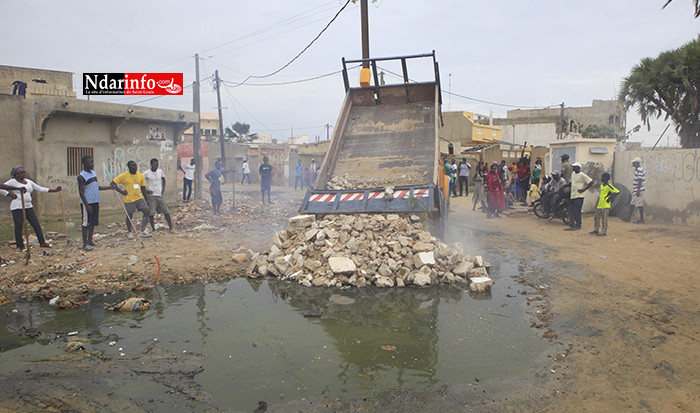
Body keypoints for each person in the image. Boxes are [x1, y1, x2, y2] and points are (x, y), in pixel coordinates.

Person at [1, 166, 61, 250]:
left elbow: (39, 188)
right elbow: (1, 188)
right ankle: (20, 245)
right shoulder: (12, 182)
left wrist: (54, 190)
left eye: (24, 172)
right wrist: (9, 194)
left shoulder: (28, 182)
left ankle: (42, 242)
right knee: (19, 226)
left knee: (36, 224)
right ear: (16, 174)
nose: (23, 174)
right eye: (20, 172)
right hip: (17, 206)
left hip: (28, 206)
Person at [77, 156, 112, 251]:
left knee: (92, 223)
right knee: (85, 224)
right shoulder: (81, 176)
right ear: (84, 164)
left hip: (95, 201)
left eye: (93, 162)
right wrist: (86, 205)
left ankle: (90, 241)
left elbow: (96, 187)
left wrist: (108, 188)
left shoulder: (94, 173)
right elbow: (81, 192)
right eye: (90, 163)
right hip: (87, 203)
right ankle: (84, 244)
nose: (92, 164)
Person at [111, 160, 152, 238]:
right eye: (133, 166)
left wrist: (146, 200)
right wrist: (122, 192)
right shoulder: (124, 176)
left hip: (139, 197)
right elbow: (112, 184)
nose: (135, 167)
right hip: (129, 199)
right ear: (129, 167)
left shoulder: (140, 175)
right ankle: (129, 232)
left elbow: (143, 188)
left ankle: (143, 230)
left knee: (146, 211)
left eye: (136, 165)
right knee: (129, 216)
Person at [143, 158, 174, 233]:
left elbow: (164, 180)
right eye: (155, 164)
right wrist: (146, 191)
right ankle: (153, 229)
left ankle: (171, 228)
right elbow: (140, 181)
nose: (156, 166)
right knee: (151, 213)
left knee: (166, 211)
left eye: (157, 164)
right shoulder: (146, 173)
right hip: (152, 196)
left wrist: (163, 190)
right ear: (151, 164)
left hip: (160, 195)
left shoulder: (160, 171)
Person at [565, 162, 594, 231]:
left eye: (574, 167)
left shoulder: (582, 175)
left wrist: (583, 189)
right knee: (570, 210)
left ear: (578, 168)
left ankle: (578, 224)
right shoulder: (573, 174)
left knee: (577, 211)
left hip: (579, 196)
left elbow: (591, 182)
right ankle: (572, 224)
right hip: (573, 195)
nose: (573, 168)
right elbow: (572, 183)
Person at [590, 172, 619, 236]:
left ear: (606, 178)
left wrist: (610, 198)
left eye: (602, 177)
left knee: (604, 219)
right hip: (600, 204)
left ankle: (603, 231)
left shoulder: (609, 186)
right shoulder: (602, 186)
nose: (601, 178)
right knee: (596, 217)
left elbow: (617, 192)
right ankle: (596, 229)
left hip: (605, 205)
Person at [623, 157, 646, 224]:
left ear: (637, 163)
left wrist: (638, 190)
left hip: (638, 189)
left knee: (639, 204)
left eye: (634, 162)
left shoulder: (639, 170)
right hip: (636, 189)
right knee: (632, 204)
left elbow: (640, 180)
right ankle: (628, 217)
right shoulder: (638, 170)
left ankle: (642, 219)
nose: (632, 163)